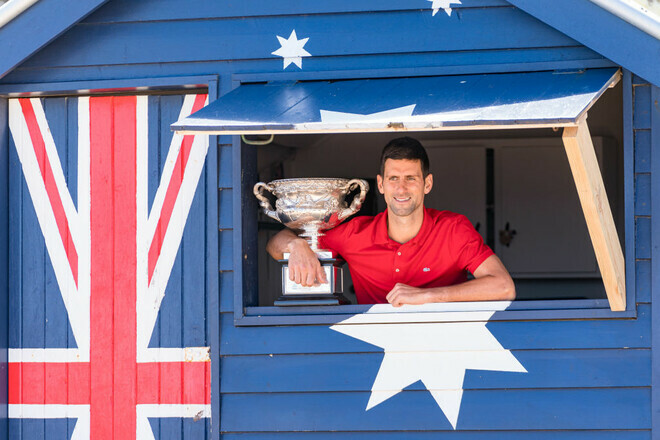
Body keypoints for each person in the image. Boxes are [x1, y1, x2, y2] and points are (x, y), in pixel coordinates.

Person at [266, 137, 515, 306]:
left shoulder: (454, 229)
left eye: (411, 178)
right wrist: (297, 247)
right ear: (381, 185)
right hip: (375, 355)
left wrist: (426, 296)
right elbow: (276, 243)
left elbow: (504, 287)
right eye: (393, 178)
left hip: (443, 350)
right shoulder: (355, 233)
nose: (402, 188)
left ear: (427, 184)